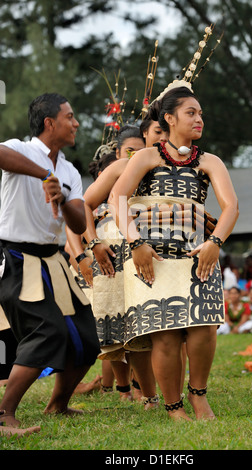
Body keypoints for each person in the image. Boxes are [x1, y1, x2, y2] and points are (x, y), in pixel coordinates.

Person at [108, 84, 239, 421]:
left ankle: (198, 395)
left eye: (200, 114)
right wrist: (136, 244)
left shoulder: (209, 161)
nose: (199, 119)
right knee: (165, 334)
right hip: (152, 258)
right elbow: (116, 199)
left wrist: (215, 242)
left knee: (204, 328)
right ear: (169, 118)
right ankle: (173, 406)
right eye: (191, 113)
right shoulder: (146, 157)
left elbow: (231, 207)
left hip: (198, 255)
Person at [0, 93, 100, 433]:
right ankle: (4, 414)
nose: (75, 123)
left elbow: (78, 225)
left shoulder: (69, 169)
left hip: (54, 262)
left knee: (87, 336)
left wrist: (61, 194)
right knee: (48, 331)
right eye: (70, 117)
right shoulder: (21, 149)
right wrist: (44, 175)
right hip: (17, 257)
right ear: (49, 123)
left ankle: (58, 404)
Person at [67, 121, 168, 407]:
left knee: (164, 328)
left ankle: (174, 391)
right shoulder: (119, 168)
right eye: (156, 133)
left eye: (164, 133)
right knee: (133, 329)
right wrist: (90, 246)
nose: (160, 138)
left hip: (162, 251)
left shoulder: (174, 167)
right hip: (119, 258)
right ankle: (145, 394)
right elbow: (82, 208)